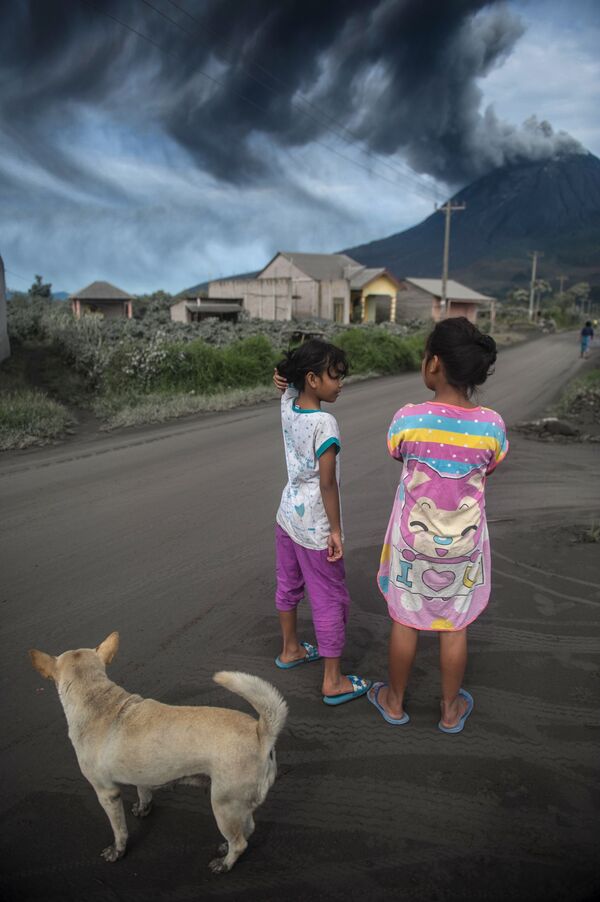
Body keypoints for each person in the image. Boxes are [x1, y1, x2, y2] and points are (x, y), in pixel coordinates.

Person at [369, 317, 508, 733]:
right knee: (454, 624)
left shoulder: (408, 419)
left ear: (433, 364)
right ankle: (450, 710)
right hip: (463, 547)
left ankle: (394, 701)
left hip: (414, 544)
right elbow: (492, 467)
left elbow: (397, 452)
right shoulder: (492, 426)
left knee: (406, 619)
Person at [272, 339, 371, 706]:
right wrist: (335, 530)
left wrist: (282, 376)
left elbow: (284, 382)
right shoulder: (325, 423)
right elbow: (327, 482)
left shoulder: (289, 406)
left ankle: (290, 649)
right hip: (314, 526)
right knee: (329, 598)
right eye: (335, 376)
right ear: (312, 379)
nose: (341, 383)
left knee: (288, 583)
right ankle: (333, 679)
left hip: (287, 515)